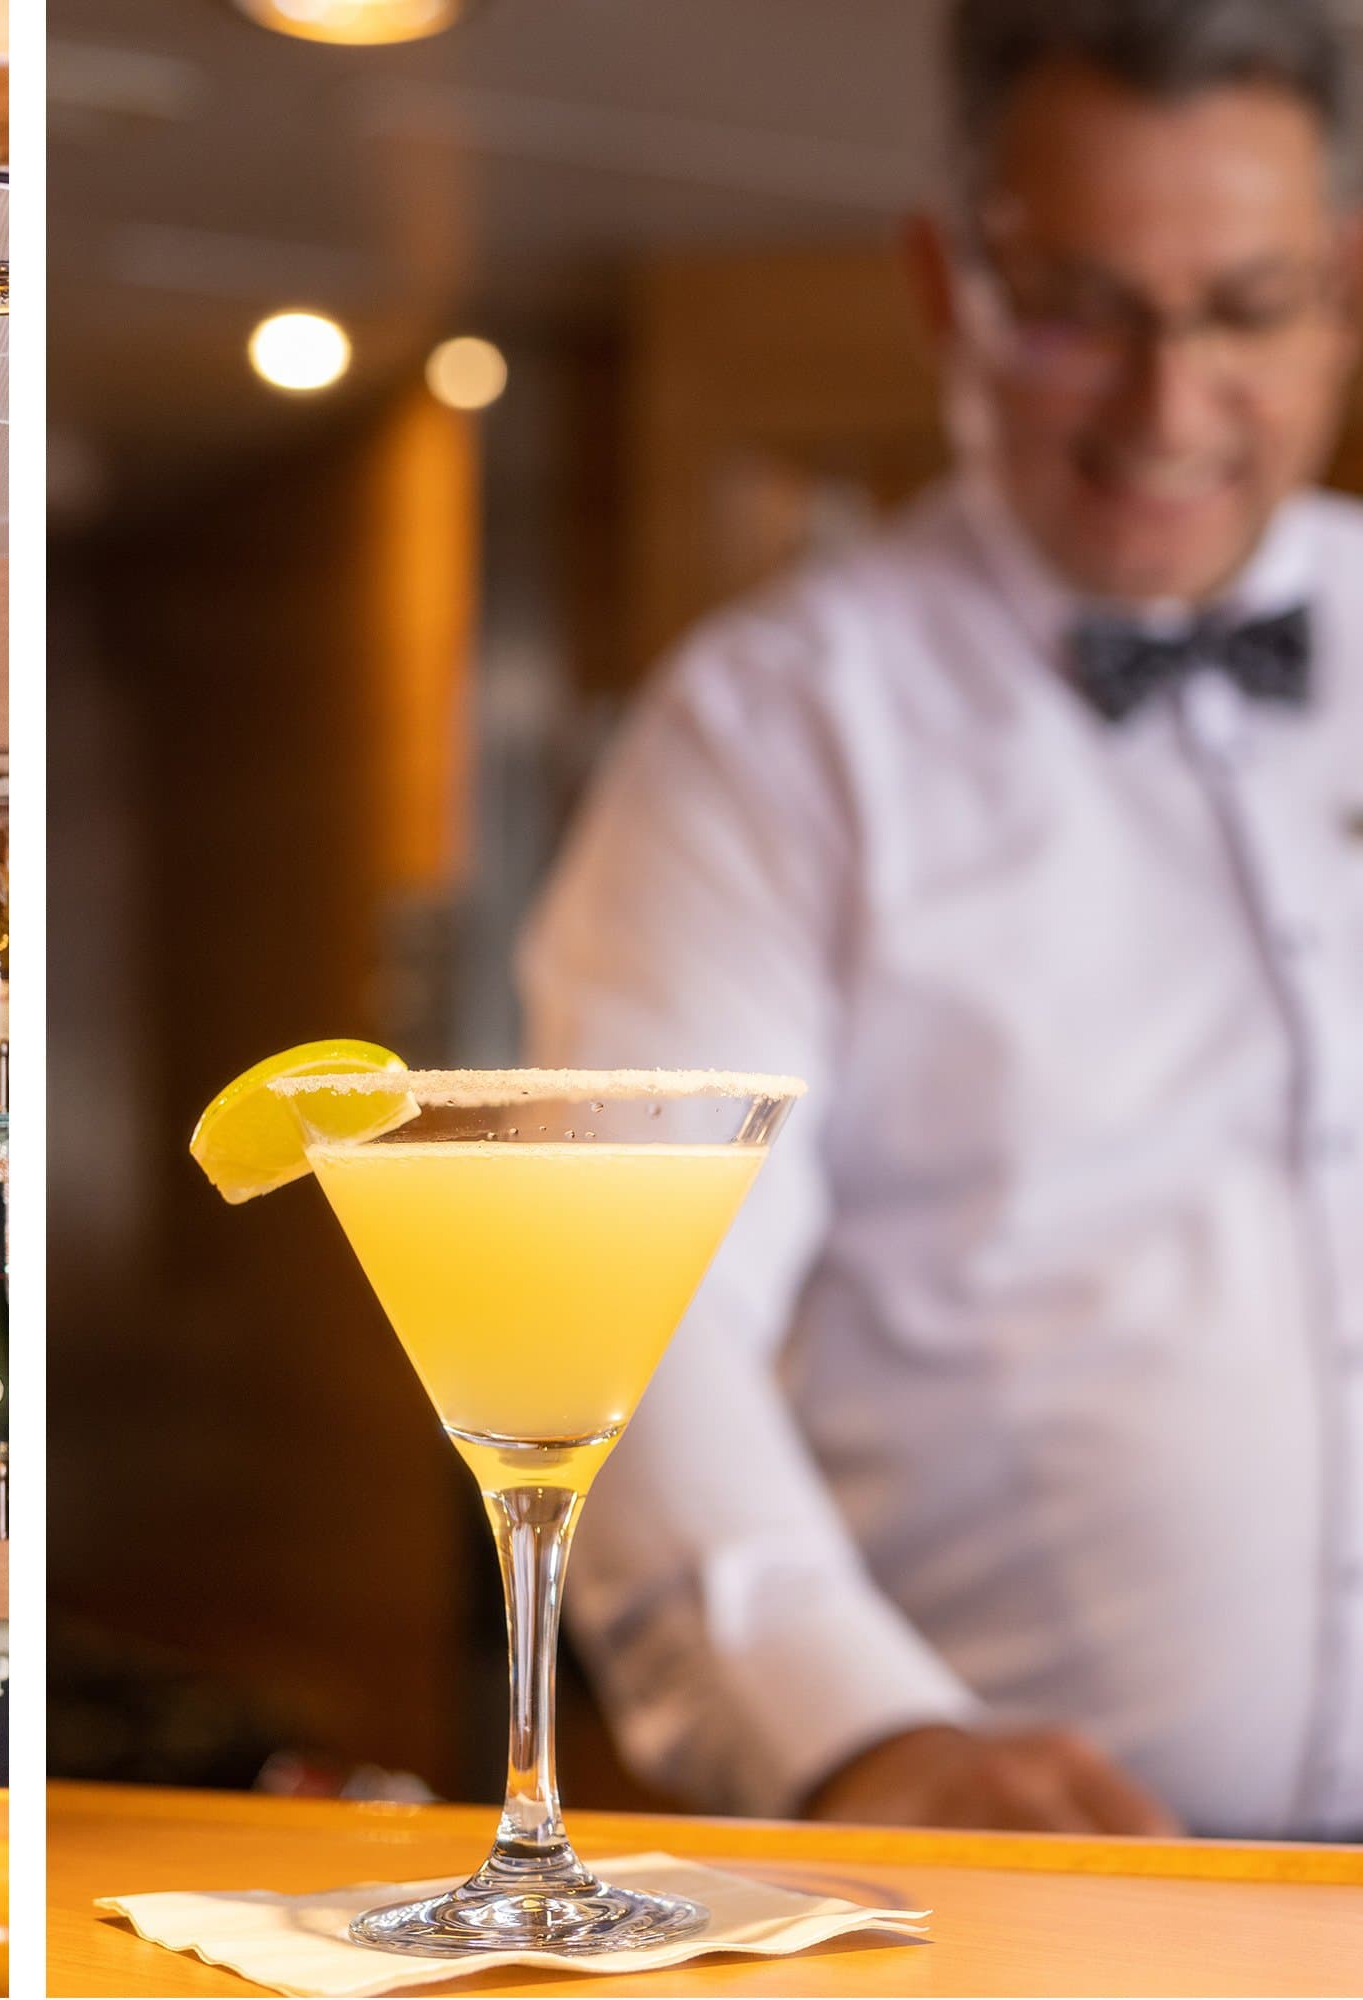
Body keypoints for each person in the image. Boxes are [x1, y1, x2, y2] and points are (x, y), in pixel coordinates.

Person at [524, 0, 1363, 1840]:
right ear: (946, 284)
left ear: (1346, 288)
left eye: (1243, 308)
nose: (1168, 406)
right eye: (1083, 310)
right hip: (1044, 1905)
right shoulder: (768, 731)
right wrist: (859, 1734)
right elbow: (625, 1304)